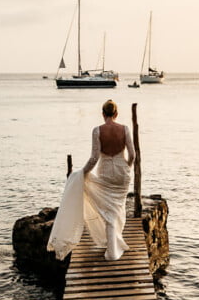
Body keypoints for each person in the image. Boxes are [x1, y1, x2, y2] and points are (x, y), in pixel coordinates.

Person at [47, 99, 136, 261]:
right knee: (117, 208)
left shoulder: (97, 131)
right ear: (116, 114)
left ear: (103, 114)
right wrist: (126, 167)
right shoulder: (125, 129)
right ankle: (114, 245)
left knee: (109, 212)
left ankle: (112, 250)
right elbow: (133, 155)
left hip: (105, 172)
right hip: (122, 173)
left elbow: (94, 158)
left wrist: (82, 172)